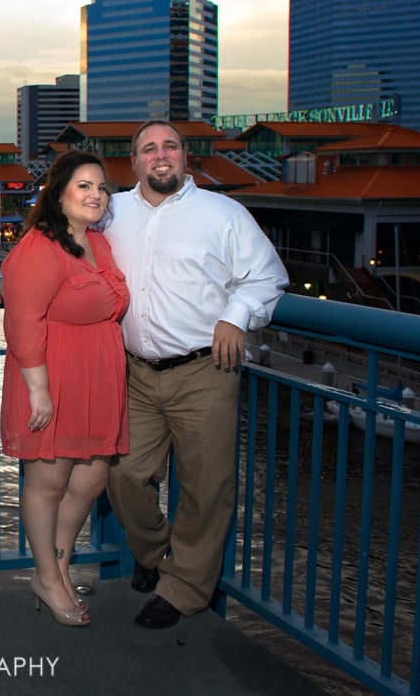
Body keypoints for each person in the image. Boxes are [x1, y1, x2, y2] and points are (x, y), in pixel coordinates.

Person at [102, 120, 288, 630]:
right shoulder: (110, 211)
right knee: (121, 474)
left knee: (207, 487)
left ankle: (184, 587)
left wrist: (237, 315)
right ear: (134, 161)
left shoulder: (224, 213)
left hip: (205, 370)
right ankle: (158, 554)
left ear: (184, 156)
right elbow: (60, 241)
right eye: (149, 148)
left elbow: (267, 277)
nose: (161, 155)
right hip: (134, 374)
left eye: (171, 146)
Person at [0, 150, 129, 627]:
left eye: (101, 188)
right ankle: (48, 578)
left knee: (93, 477)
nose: (95, 195)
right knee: (49, 482)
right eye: (84, 186)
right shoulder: (39, 247)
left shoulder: (100, 243)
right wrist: (39, 391)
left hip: (99, 373)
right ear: (58, 193)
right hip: (52, 375)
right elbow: (23, 320)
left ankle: (58, 563)